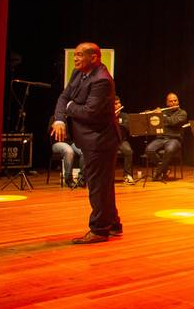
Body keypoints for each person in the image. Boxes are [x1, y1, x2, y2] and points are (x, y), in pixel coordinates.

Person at [52, 42, 121, 244]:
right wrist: (59, 119)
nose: (75, 58)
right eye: (75, 55)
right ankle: (113, 224)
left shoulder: (102, 80)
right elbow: (63, 97)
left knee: (98, 186)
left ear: (94, 57)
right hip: (89, 138)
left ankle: (99, 230)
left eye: (80, 55)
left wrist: (70, 107)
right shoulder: (78, 73)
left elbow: (90, 113)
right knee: (103, 185)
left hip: (100, 140)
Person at [145, 93, 188, 181]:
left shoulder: (182, 113)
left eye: (175, 100)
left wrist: (161, 115)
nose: (173, 103)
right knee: (149, 150)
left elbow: (172, 122)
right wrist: (150, 114)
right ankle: (165, 168)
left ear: (178, 101)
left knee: (169, 150)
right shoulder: (163, 112)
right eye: (171, 101)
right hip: (161, 138)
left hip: (174, 139)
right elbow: (153, 122)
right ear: (167, 103)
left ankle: (159, 172)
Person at [48, 116, 84, 188]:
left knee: (84, 151)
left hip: (70, 143)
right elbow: (49, 131)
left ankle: (82, 178)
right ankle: (68, 179)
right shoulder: (55, 118)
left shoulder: (70, 119)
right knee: (69, 151)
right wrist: (54, 126)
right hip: (57, 143)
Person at [114, 96, 134, 184]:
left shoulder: (124, 116)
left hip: (121, 140)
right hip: (109, 141)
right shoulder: (106, 115)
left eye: (119, 103)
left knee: (128, 151)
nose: (118, 105)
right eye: (115, 104)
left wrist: (117, 121)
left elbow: (128, 128)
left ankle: (127, 175)